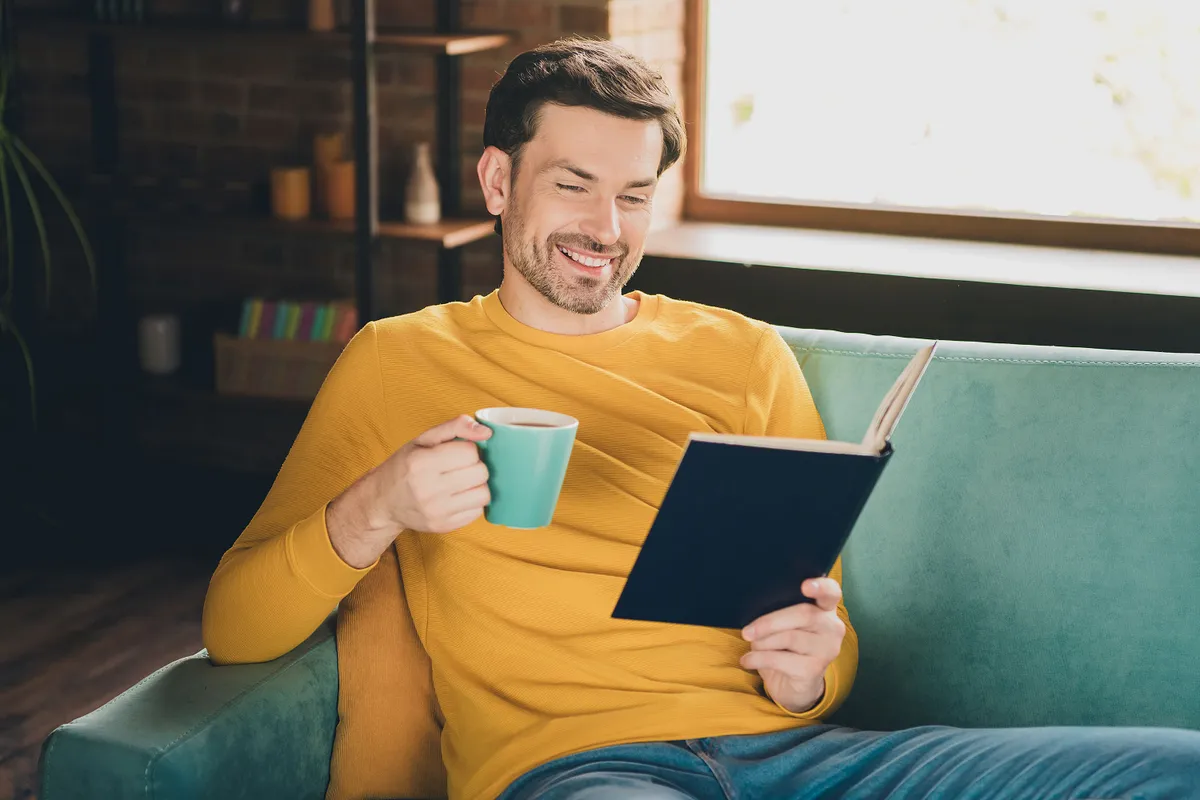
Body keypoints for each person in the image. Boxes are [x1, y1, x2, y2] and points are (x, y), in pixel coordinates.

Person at [202, 37, 1200, 800]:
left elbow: (822, 616)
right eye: (575, 186)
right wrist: (374, 506)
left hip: (805, 758)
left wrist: (813, 669)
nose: (607, 229)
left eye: (635, 195)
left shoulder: (739, 349)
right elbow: (233, 625)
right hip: (590, 768)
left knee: (1173, 767)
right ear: (499, 181)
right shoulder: (399, 358)